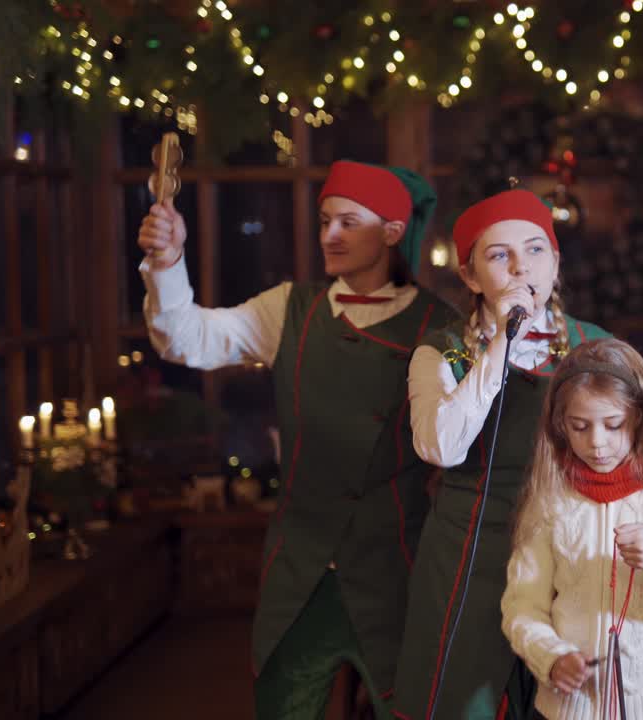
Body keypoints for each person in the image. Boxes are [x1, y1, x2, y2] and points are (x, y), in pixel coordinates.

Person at [138, 160, 460, 719]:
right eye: (325, 220)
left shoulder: (443, 325)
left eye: (348, 222)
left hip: (398, 575)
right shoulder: (289, 307)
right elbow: (188, 339)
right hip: (299, 576)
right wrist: (167, 261)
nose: (329, 236)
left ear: (391, 232)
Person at [395, 189, 609, 719]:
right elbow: (440, 446)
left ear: (556, 264)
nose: (521, 268)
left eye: (536, 250)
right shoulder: (439, 353)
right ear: (470, 277)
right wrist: (500, 349)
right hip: (470, 557)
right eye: (498, 256)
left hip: (571, 555)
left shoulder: (595, 347)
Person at [501, 338, 643, 718]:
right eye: (579, 427)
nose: (596, 443)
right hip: (567, 711)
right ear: (560, 426)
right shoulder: (550, 499)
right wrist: (552, 657)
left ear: (639, 416)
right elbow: (522, 607)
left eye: (613, 424)